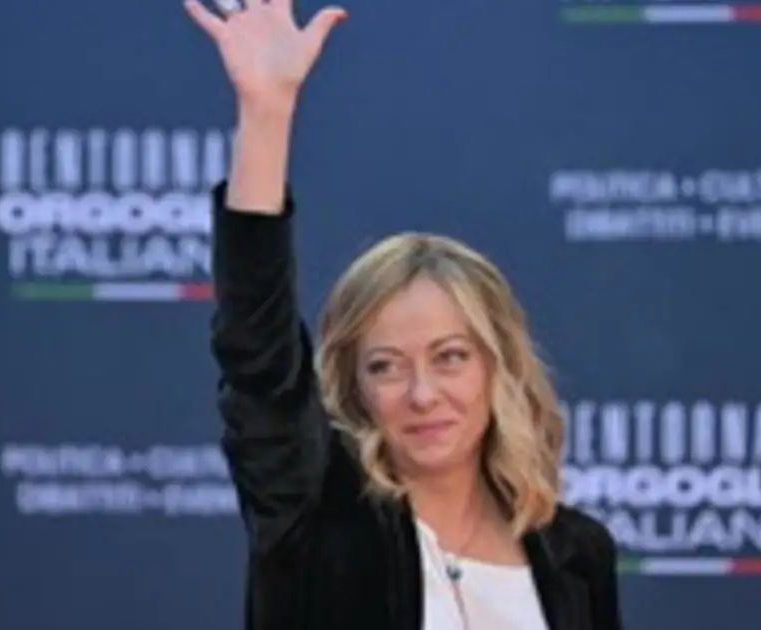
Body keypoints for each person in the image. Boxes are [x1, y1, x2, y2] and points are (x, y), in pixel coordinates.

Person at [183, 0, 624, 628]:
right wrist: (266, 110)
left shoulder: (576, 554)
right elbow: (257, 347)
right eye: (386, 367)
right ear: (353, 385)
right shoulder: (316, 518)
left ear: (497, 365)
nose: (422, 395)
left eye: (450, 358)